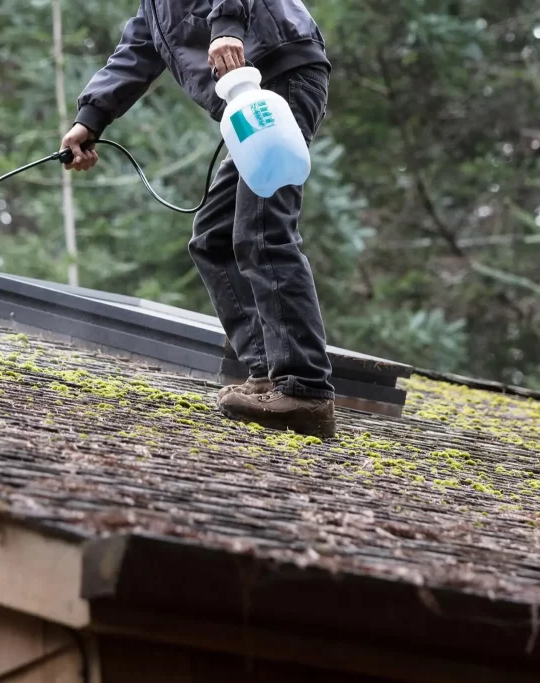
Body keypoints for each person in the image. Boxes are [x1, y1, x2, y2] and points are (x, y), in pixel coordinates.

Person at [61, 1, 336, 439]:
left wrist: (228, 26)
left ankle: (305, 390)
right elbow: (138, 49)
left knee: (263, 229)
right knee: (215, 235)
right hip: (250, 99)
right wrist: (89, 120)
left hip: (278, 74)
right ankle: (268, 373)